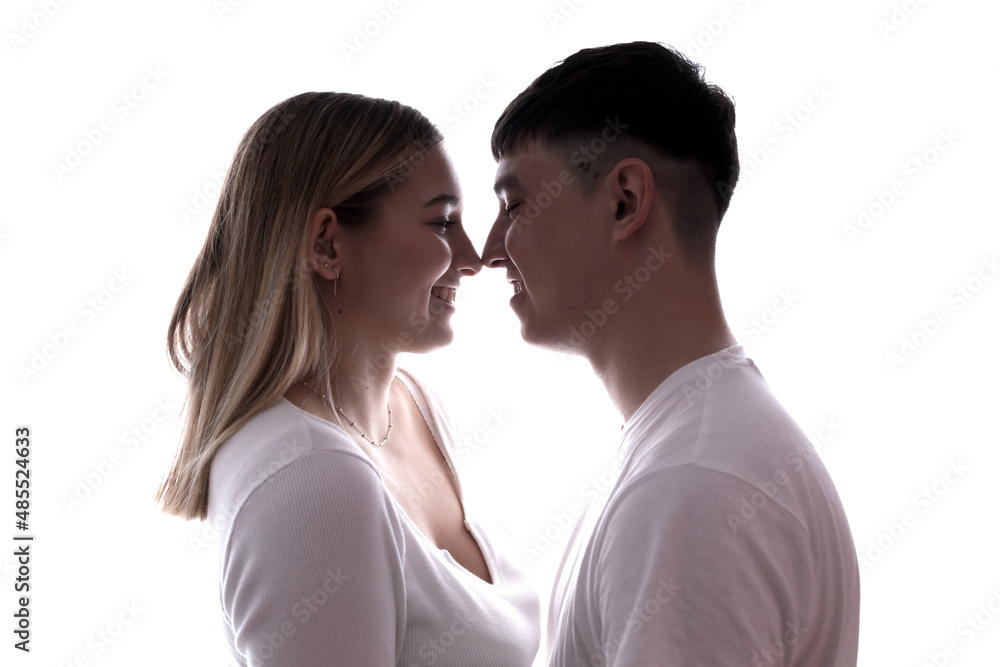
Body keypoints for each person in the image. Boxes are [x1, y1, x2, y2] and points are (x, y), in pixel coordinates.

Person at [482, 42, 860, 666]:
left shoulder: (690, 486)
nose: (492, 248)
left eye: (514, 205)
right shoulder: (703, 450)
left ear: (625, 200)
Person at [157, 92, 539, 666]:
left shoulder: (415, 404)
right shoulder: (313, 481)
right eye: (441, 222)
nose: (471, 256)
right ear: (327, 243)